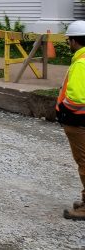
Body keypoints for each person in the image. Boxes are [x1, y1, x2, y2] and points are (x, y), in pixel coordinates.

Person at [58, 20, 85, 220]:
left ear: (74, 41)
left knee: (84, 163)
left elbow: (75, 98)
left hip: (79, 122)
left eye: (69, 41)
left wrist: (64, 109)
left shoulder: (81, 63)